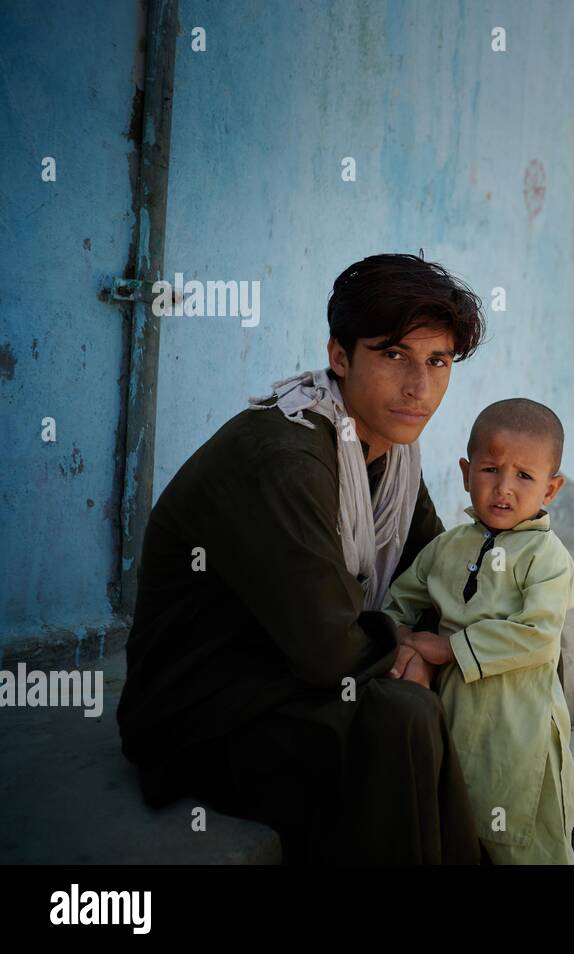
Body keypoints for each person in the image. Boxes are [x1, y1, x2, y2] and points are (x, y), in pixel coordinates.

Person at [117, 253, 487, 864]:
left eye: (437, 362)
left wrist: (439, 644)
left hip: (287, 681)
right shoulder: (286, 455)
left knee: (500, 667)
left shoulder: (390, 452)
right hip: (208, 709)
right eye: (393, 355)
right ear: (339, 357)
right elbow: (330, 648)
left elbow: (440, 579)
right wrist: (409, 650)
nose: (419, 387)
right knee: (400, 715)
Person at [383, 398, 574, 865]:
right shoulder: (447, 546)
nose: (504, 489)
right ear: (466, 472)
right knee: (460, 820)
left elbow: (537, 635)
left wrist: (448, 648)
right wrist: (403, 647)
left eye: (525, 477)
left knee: (524, 839)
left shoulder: (547, 558)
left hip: (520, 725)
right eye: (491, 470)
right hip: (456, 712)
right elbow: (399, 603)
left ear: (551, 489)